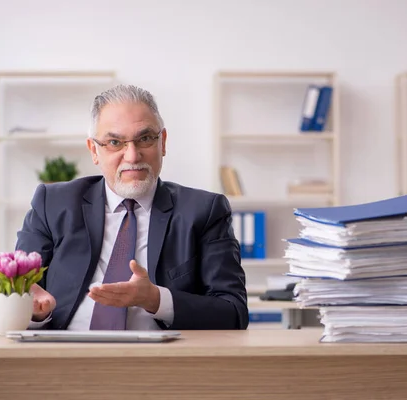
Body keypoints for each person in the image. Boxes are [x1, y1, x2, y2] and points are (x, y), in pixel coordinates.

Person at [16, 84, 249, 330]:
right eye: (115, 142)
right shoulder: (52, 204)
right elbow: (19, 294)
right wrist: (34, 312)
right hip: (68, 359)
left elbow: (233, 312)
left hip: (162, 363)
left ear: (163, 142)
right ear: (94, 150)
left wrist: (155, 299)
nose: (132, 156)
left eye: (145, 139)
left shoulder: (204, 211)